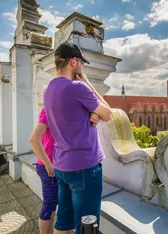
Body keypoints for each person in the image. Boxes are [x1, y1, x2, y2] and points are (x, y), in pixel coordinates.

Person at [43, 41, 112, 234]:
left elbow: (69, 115)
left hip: (62, 166)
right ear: (74, 62)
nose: (82, 66)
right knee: (87, 226)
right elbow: (108, 114)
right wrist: (87, 83)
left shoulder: (48, 90)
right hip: (84, 167)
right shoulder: (77, 88)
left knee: (63, 222)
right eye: (81, 62)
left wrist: (89, 114)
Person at [30, 97, 100, 234]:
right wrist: (47, 163)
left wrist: (92, 115)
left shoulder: (68, 110)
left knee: (65, 212)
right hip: (54, 166)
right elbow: (33, 140)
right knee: (53, 206)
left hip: (66, 167)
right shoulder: (49, 109)